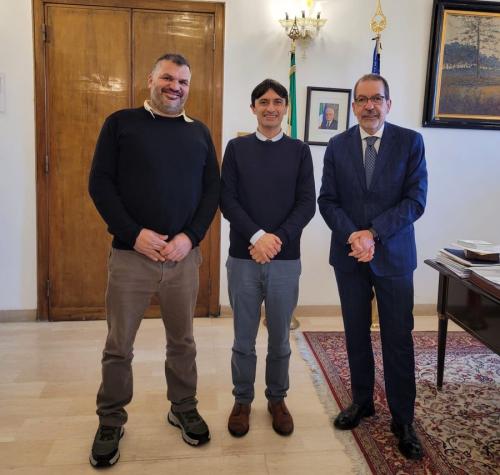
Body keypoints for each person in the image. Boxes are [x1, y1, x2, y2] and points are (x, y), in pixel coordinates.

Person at [88, 53, 220, 468]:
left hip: (183, 259)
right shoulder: (120, 124)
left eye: (182, 81)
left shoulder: (199, 133)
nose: (174, 86)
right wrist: (134, 234)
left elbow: (211, 192)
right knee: (118, 346)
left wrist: (190, 237)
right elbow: (100, 184)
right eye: (167, 78)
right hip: (132, 257)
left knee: (182, 341)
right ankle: (111, 420)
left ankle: (183, 407)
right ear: (150, 79)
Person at [318, 74, 427, 460]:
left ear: (388, 104)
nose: (369, 106)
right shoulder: (337, 145)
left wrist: (373, 234)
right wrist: (355, 236)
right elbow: (327, 200)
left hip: (394, 257)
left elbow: (415, 200)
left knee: (398, 338)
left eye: (377, 99)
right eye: (362, 100)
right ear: (353, 107)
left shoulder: (410, 142)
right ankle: (362, 402)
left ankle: (403, 420)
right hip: (349, 256)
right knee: (355, 333)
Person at [220, 79, 316, 438]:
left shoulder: (299, 151)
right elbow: (227, 200)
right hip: (243, 258)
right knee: (243, 340)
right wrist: (257, 237)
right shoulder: (237, 148)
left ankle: (277, 399)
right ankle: (242, 401)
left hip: (285, 260)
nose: (271, 107)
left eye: (277, 102)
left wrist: (276, 240)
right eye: (263, 102)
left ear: (286, 108)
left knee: (279, 340)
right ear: (253, 108)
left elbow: (306, 203)